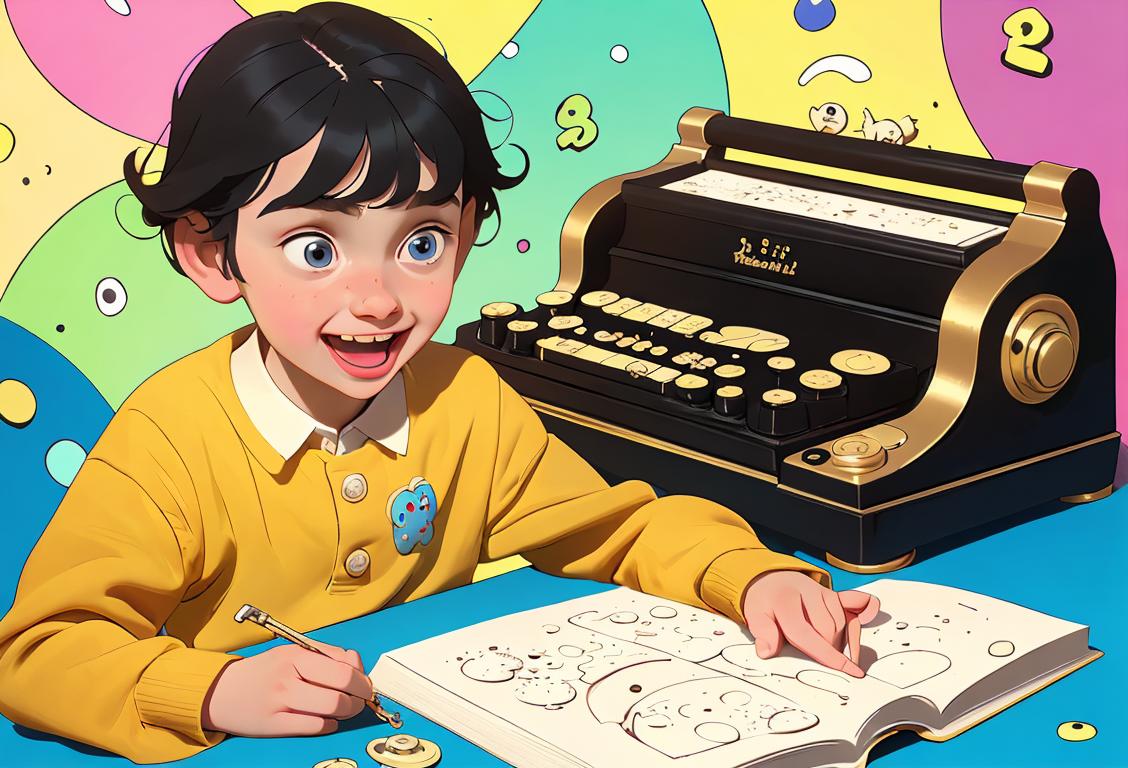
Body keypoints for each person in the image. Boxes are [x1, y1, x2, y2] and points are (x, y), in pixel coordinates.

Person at [0, 4, 879, 762]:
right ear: (209, 251)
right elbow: (36, 654)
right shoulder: (171, 434)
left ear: (465, 230)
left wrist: (750, 575)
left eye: (421, 242)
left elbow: (619, 528)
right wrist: (213, 690)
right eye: (315, 249)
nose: (377, 300)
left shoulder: (467, 397)